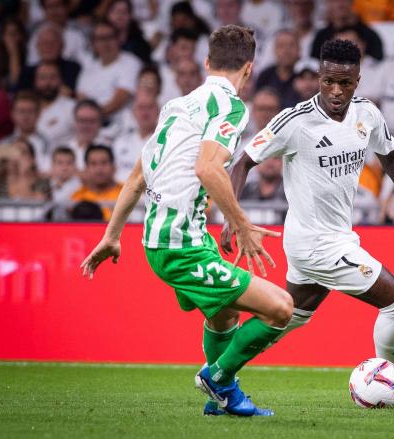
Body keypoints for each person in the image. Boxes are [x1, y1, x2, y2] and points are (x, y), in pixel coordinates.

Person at [80, 25, 293, 418]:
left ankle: (222, 399)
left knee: (225, 313)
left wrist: (112, 236)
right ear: (249, 69)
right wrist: (242, 225)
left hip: (168, 239)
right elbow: (208, 169)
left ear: (207, 62)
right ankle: (219, 378)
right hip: (181, 247)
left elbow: (136, 178)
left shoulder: (177, 106)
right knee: (281, 309)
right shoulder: (230, 107)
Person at [225, 39, 394, 405]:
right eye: (328, 81)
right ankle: (393, 381)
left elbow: (390, 157)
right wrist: (233, 215)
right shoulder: (295, 121)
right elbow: (242, 161)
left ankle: (217, 370)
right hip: (315, 243)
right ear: (319, 77)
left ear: (358, 80)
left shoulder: (367, 114)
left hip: (336, 235)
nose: (336, 91)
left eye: (345, 83)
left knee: (287, 316)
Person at [71, 145, 124, 220]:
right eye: (93, 163)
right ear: (86, 168)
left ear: (113, 167)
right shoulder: (77, 197)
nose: (99, 169)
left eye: (104, 163)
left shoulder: (127, 194)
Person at [34, 61, 76, 144]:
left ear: (60, 80)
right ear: (35, 81)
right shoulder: (27, 108)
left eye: (53, 77)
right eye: (43, 78)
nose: (47, 83)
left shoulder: (72, 107)